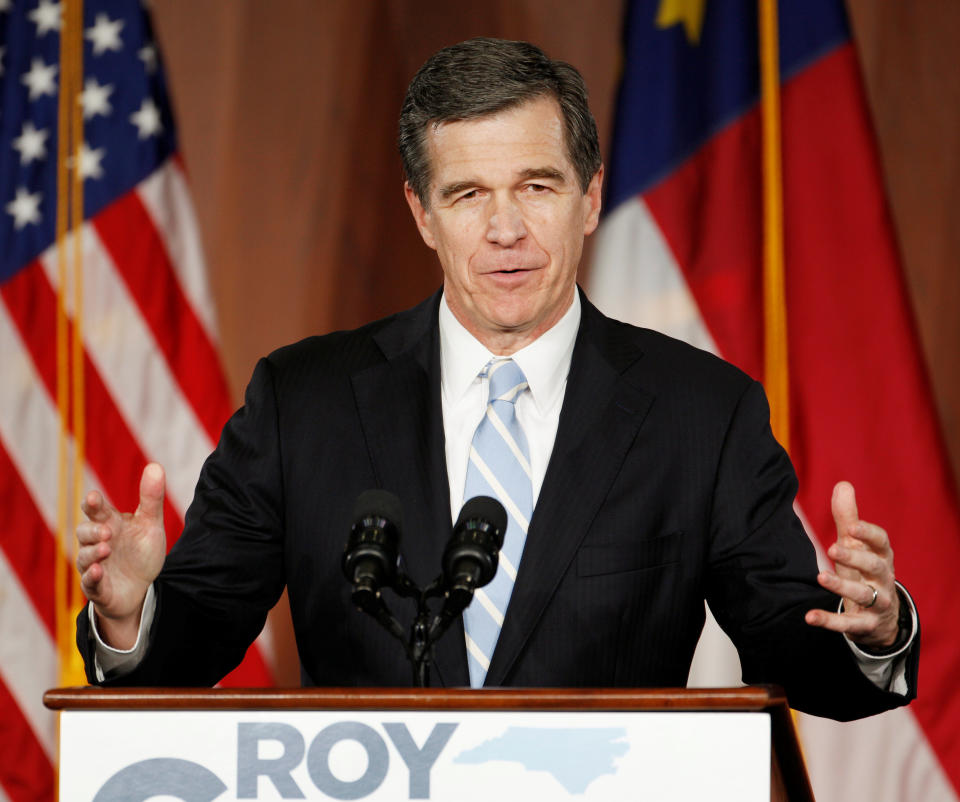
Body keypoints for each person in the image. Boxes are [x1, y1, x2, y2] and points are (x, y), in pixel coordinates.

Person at [75, 38, 917, 719]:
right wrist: (127, 614)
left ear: (589, 199)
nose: (505, 229)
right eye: (469, 193)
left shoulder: (703, 412)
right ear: (422, 214)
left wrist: (868, 636)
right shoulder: (304, 402)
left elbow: (789, 645)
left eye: (536, 186)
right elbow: (193, 638)